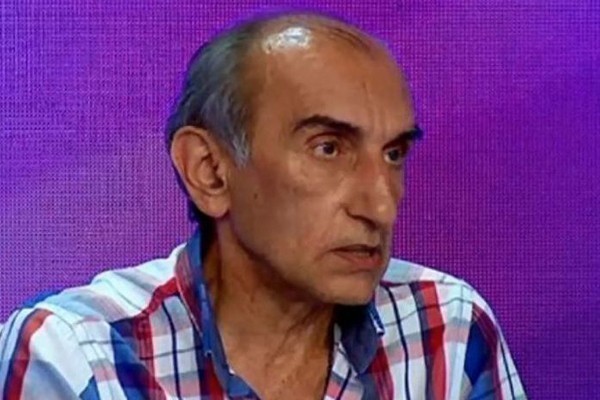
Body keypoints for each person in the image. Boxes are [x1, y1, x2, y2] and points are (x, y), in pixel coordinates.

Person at [0, 11, 526, 400]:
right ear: (209, 170)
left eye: (393, 154)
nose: (382, 206)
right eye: (328, 148)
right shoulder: (77, 355)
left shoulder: (447, 326)